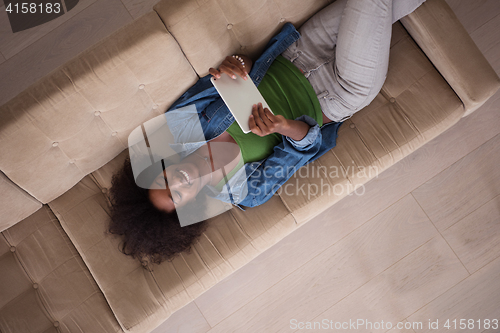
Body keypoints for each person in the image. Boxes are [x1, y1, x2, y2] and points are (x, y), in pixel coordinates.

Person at [108, 0, 426, 264]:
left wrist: (237, 65)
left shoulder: (183, 124)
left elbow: (236, 70)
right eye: (177, 196)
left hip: (300, 52)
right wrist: (282, 126)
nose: (179, 182)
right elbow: (304, 147)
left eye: (165, 180)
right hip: (340, 93)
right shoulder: (246, 193)